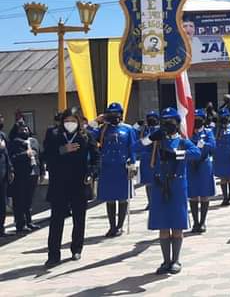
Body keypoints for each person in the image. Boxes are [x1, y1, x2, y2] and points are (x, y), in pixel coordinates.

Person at [139, 108, 200, 275]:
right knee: (163, 224)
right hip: (160, 185)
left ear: (177, 124)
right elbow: (140, 145)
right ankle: (165, 260)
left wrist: (176, 155)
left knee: (177, 224)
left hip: (177, 186)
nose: (167, 126)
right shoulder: (158, 141)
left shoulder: (182, 141)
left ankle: (176, 260)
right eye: (164, 122)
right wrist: (153, 136)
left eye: (170, 123)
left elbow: (196, 152)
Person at [44, 108, 99, 267]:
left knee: (79, 218)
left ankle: (76, 248)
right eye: (67, 120)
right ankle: (53, 254)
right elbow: (46, 155)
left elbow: (96, 156)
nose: (70, 124)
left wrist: (92, 173)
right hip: (59, 184)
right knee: (56, 220)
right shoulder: (54, 134)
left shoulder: (85, 136)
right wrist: (63, 150)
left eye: (73, 121)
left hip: (79, 183)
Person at [90, 103, 137, 237]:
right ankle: (112, 226)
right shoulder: (103, 129)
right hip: (107, 166)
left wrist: (132, 164)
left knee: (123, 197)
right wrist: (95, 122)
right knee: (109, 198)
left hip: (122, 166)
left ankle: (120, 226)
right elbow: (87, 135)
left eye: (116, 113)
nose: (113, 116)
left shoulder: (128, 129)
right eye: (110, 113)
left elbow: (132, 147)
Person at [8, 121, 42, 233]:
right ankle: (20, 224)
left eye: (26, 129)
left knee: (28, 200)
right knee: (19, 200)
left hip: (33, 173)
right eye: (22, 130)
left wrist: (41, 172)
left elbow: (39, 157)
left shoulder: (34, 141)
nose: (24, 131)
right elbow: (11, 158)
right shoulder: (13, 143)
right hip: (20, 175)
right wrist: (25, 155)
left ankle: (29, 222)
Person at [187, 109, 216, 233]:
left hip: (204, 164)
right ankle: (195, 222)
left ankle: (203, 222)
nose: (197, 121)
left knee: (204, 194)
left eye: (199, 119)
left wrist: (203, 144)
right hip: (192, 165)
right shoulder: (188, 133)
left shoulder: (208, 132)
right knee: (193, 195)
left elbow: (213, 146)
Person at [136, 111, 160, 210]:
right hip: (145, 158)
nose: (151, 120)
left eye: (153, 118)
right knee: (147, 182)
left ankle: (156, 201)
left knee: (155, 181)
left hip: (155, 157)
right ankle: (150, 202)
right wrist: (141, 127)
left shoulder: (158, 130)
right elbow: (139, 139)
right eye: (149, 117)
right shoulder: (145, 129)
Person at [0, 114, 10, 238]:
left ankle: (1, 229)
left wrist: (10, 170)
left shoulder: (2, 135)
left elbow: (7, 154)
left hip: (3, 176)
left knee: (3, 203)